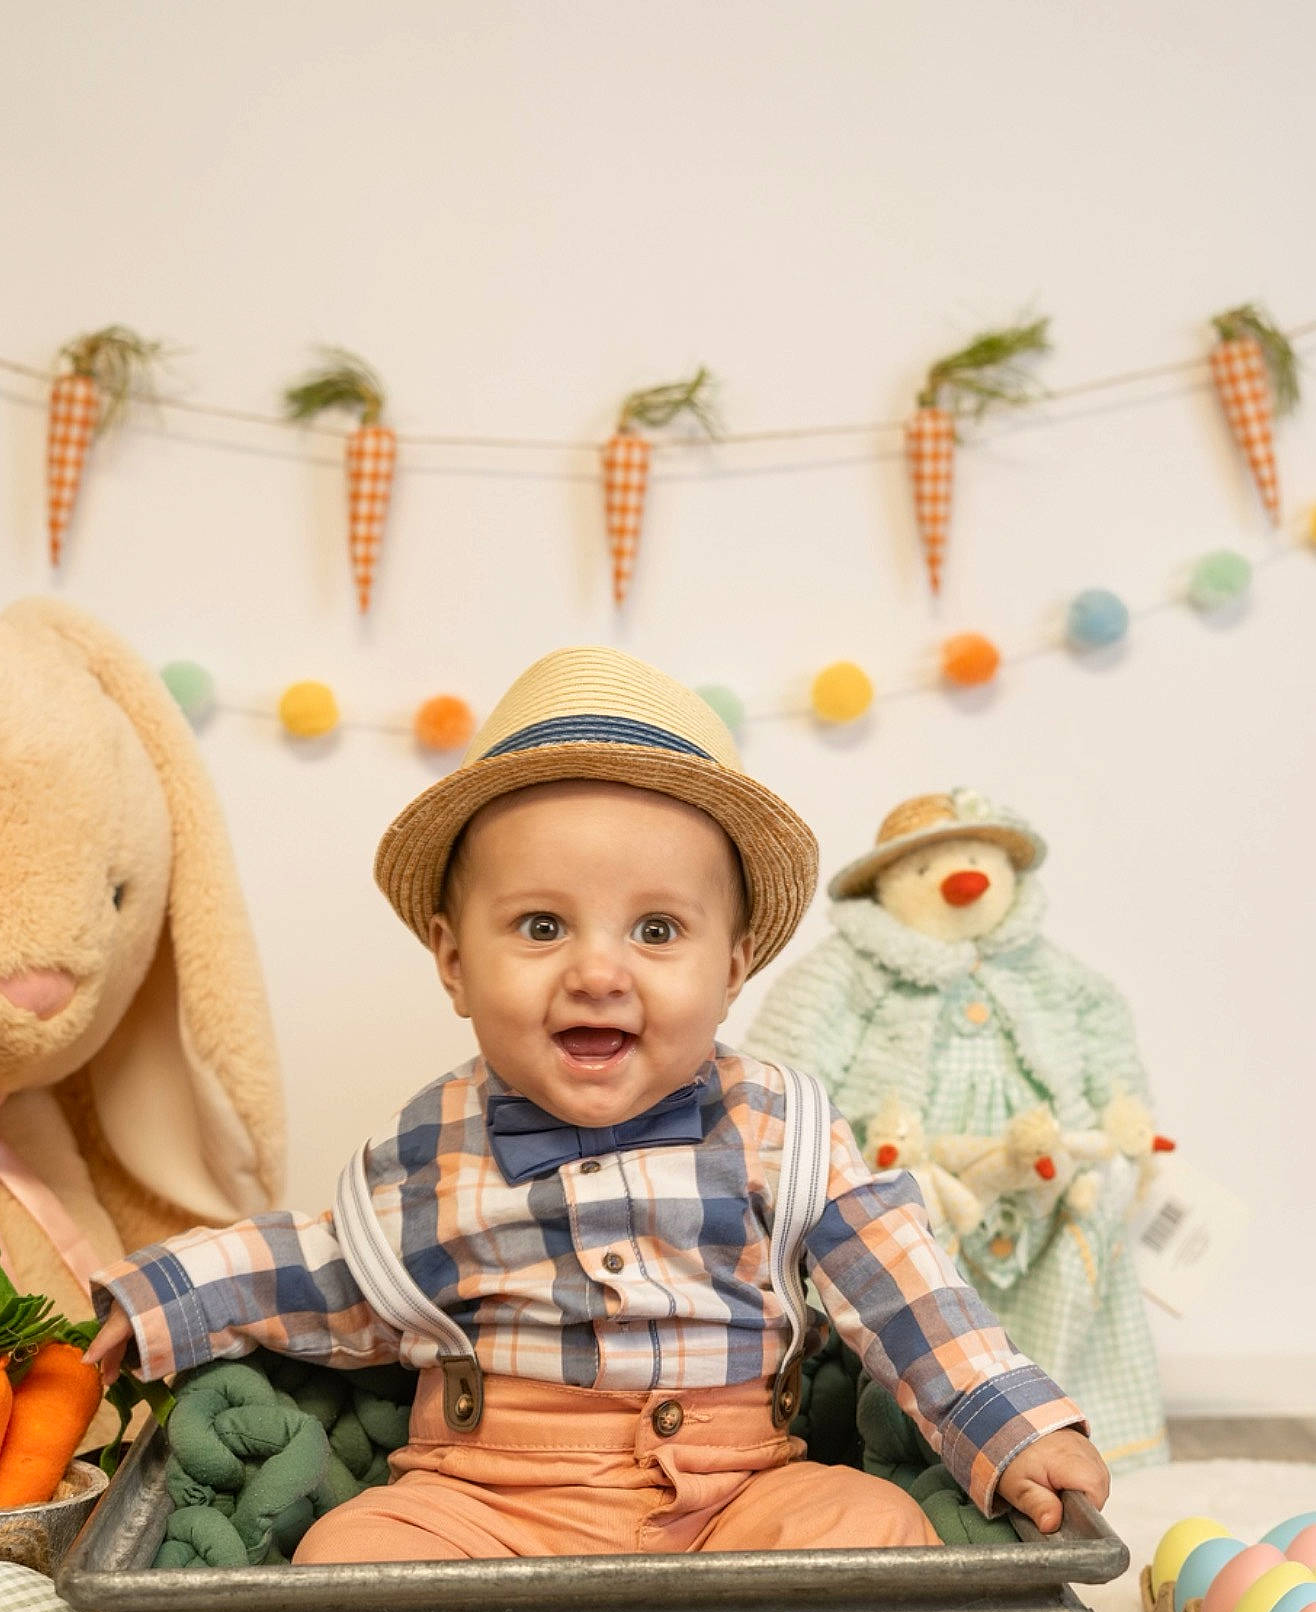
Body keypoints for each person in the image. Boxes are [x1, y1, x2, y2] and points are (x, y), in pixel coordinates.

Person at [87, 648, 1110, 1561]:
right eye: (541, 924)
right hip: (487, 1499)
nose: (598, 970)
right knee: (353, 1552)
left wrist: (1013, 1423)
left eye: (659, 930)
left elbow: (906, 1288)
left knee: (872, 1527)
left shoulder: (782, 1126)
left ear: (734, 966)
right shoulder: (436, 1145)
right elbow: (323, 1267)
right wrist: (162, 1295)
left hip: (734, 1493)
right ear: (453, 960)